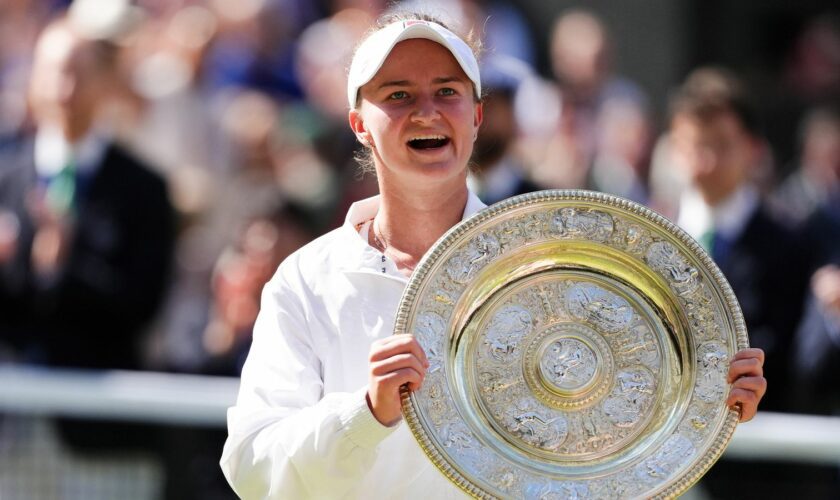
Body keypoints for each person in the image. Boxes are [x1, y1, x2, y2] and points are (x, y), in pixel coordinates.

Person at [220, 12, 766, 499]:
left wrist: (705, 396)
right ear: (359, 124)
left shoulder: (549, 260)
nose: (427, 112)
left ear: (477, 116)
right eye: (398, 95)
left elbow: (600, 446)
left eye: (447, 92)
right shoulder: (306, 280)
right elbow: (250, 468)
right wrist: (365, 412)